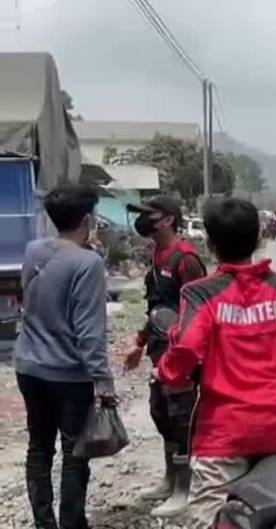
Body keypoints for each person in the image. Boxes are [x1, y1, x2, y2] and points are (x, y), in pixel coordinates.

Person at [155, 198, 276, 528]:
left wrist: (168, 373)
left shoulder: (200, 293)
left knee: (206, 520)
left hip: (223, 437)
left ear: (211, 244)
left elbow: (185, 350)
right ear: (259, 238)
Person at [14, 185, 116, 529]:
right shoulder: (87, 263)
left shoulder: (33, 250)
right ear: (87, 219)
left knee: (39, 446)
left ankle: (45, 523)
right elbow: (89, 332)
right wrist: (103, 382)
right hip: (68, 374)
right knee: (75, 452)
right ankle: (72, 522)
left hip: (28, 366)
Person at [123, 196, 206, 517]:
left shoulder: (186, 260)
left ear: (169, 220)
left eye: (150, 215)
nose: (144, 221)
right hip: (159, 352)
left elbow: (199, 313)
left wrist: (187, 358)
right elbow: (158, 307)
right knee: (161, 415)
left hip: (182, 355)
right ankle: (169, 479)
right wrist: (140, 341)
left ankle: (185, 489)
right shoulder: (157, 255)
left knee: (182, 420)